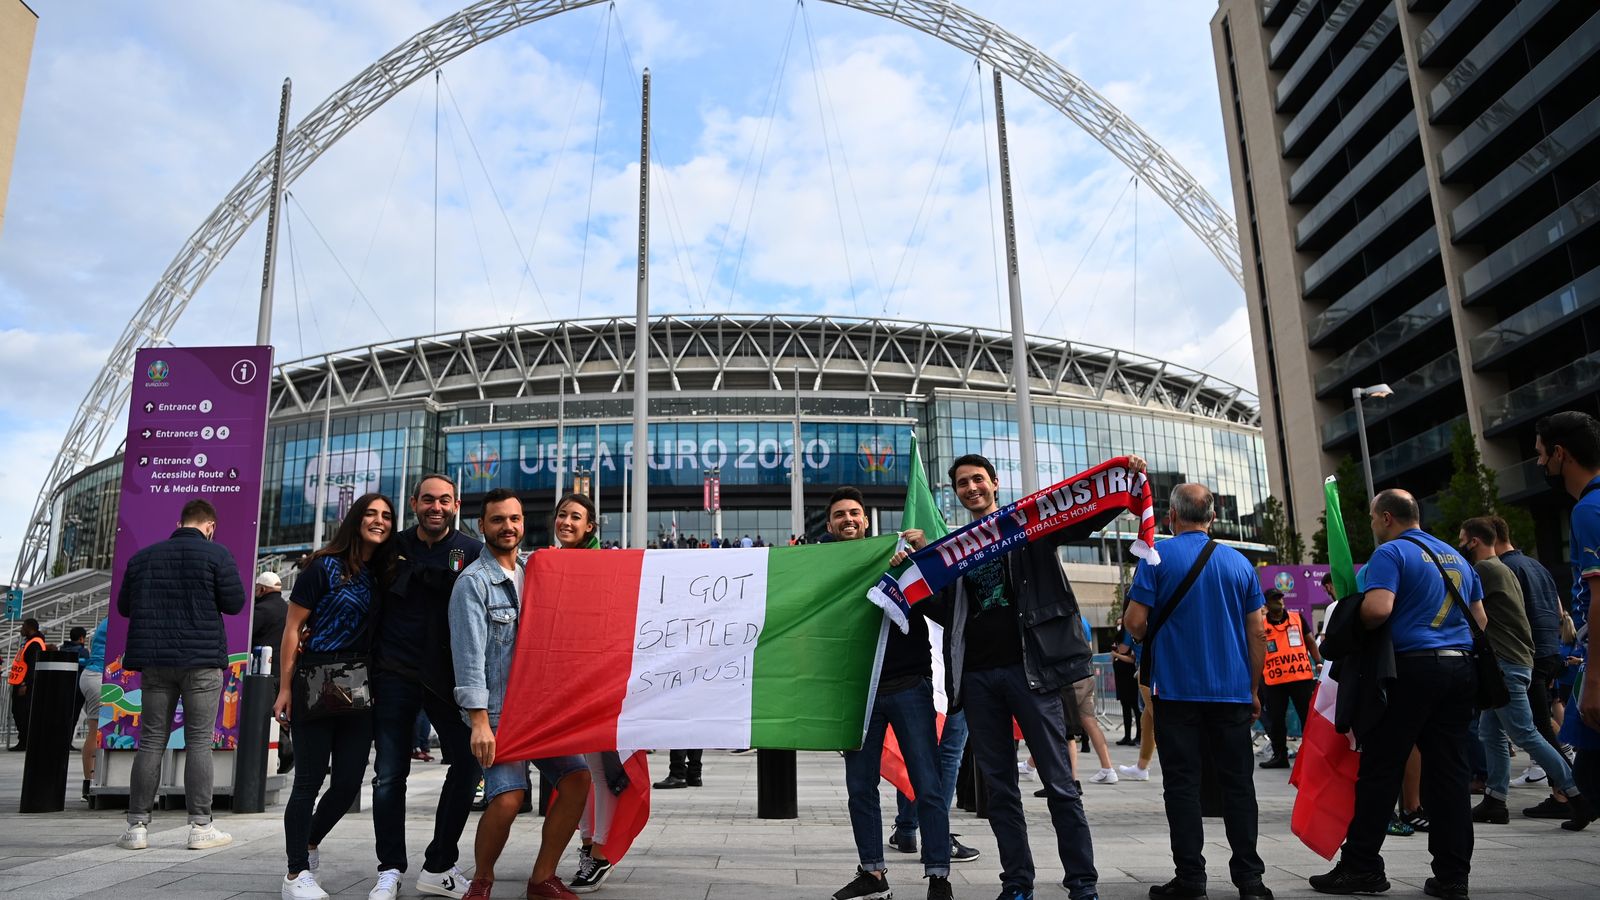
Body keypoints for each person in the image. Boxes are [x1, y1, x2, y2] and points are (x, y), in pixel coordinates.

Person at [919, 453, 1106, 900]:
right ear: (956, 492)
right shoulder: (957, 547)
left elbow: (1080, 521)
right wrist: (913, 568)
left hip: (1032, 673)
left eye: (977, 480)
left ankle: (1082, 883)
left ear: (996, 483)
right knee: (999, 791)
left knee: (1060, 785)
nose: (971, 488)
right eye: (962, 483)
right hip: (979, 680)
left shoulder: (1028, 528)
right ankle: (1017, 882)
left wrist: (1117, 485)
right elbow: (946, 613)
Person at [1309, 490, 1482, 898]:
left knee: (1381, 769)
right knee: (1451, 774)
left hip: (1410, 668)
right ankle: (1453, 875)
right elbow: (1480, 619)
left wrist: (1354, 618)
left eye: (1372, 518)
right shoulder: (1455, 557)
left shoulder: (1391, 554)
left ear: (1386, 517)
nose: (1372, 526)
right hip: (1460, 667)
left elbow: (1379, 609)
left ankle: (1362, 867)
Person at [1124, 483, 1272, 900]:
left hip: (1175, 692)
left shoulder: (1156, 557)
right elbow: (1258, 631)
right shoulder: (1241, 564)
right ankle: (1251, 880)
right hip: (1230, 693)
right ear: (1212, 518)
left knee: (1183, 785)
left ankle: (1191, 879)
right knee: (1239, 784)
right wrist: (1253, 689)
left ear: (1172, 516)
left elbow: (1135, 623)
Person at [450, 489, 591, 900]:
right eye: (498, 520)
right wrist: (479, 722)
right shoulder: (472, 584)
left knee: (578, 780)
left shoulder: (540, 569)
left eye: (514, 519)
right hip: (497, 713)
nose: (507, 527)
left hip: (543, 709)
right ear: (482, 526)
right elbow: (468, 657)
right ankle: (482, 879)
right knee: (508, 799)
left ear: (523, 522)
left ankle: (542, 878)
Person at [822, 486, 953, 900]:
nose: (848, 519)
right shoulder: (822, 570)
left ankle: (938, 877)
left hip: (910, 685)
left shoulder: (896, 557)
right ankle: (873, 874)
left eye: (855, 513)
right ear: (829, 525)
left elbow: (942, 611)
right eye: (840, 514)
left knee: (926, 784)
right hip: (858, 694)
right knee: (860, 788)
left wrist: (921, 562)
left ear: (866, 520)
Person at [276, 493, 397, 900]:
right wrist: (285, 688)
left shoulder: (380, 572)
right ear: (355, 519)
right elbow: (293, 629)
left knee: (347, 784)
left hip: (359, 684)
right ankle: (296, 873)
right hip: (316, 677)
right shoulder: (323, 566)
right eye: (371, 514)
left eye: (386, 516)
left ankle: (306, 846)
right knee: (308, 781)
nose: (379, 521)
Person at [370, 474, 485, 900]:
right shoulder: (390, 548)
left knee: (469, 765)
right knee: (388, 776)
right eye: (428, 500)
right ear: (415, 502)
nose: (436, 507)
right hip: (394, 674)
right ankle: (389, 869)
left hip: (450, 679)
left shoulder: (472, 552)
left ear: (457, 504)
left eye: (445, 500)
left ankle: (439, 862)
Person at [114, 500, 245, 853]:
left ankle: (136, 826)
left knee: (151, 740)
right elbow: (234, 603)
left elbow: (125, 607)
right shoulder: (217, 555)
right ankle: (201, 827)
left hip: (156, 663)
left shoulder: (143, 559)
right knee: (199, 740)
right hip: (202, 662)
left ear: (179, 523)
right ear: (210, 526)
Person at [1457, 515, 1591, 830]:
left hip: (1505, 663)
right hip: (1516, 661)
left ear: (1474, 541)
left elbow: (1469, 612)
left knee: (1525, 732)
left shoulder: (1485, 570)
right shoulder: (1505, 568)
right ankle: (1495, 800)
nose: (1459, 545)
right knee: (1491, 731)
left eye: (1462, 539)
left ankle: (1577, 796)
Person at [1536, 412, 1600, 830]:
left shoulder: (1588, 510)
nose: (1540, 464)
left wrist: (1593, 681)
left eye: (1542, 455)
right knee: (1589, 776)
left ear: (1561, 453)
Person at [1489, 515, 1567, 789]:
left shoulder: (1503, 569)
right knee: (1508, 727)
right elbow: (1558, 610)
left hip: (1525, 653)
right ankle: (1495, 796)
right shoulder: (1536, 565)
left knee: (1536, 730)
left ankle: (1569, 792)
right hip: (1550, 650)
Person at [1257, 588, 1321, 769]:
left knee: (1306, 718)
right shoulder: (1261, 625)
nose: (1279, 601)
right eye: (1274, 599)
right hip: (1275, 681)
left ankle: (1313, 755)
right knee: (1277, 720)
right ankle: (1280, 756)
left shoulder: (1296, 618)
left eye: (1280, 598)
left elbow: (1310, 641)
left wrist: (1318, 662)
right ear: (1267, 604)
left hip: (1300, 678)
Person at [252, 571, 294, 776]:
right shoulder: (287, 609)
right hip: (285, 673)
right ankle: (282, 759)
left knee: (266, 717)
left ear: (261, 589)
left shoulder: (260, 611)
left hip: (264, 675)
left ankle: (281, 755)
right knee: (282, 718)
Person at [79, 618, 108, 800]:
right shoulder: (120, 619)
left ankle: (90, 781)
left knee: (94, 730)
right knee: (95, 731)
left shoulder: (106, 621)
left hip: (93, 675)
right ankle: (90, 781)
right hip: (99, 676)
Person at [7, 618, 46, 752]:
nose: (21, 628)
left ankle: (25, 742)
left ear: (30, 628)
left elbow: (33, 665)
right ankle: (23, 741)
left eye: (23, 626)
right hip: (20, 682)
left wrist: (26, 684)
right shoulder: (29, 641)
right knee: (18, 712)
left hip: (25, 684)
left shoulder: (35, 643)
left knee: (23, 713)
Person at [1110, 616, 1139, 746]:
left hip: (1130, 677)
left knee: (1136, 708)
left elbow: (1131, 659)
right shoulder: (1117, 639)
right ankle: (1127, 735)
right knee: (1125, 707)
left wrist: (1117, 656)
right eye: (1118, 624)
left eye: (1121, 624)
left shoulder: (1131, 638)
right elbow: (1113, 653)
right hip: (1120, 677)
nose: (1119, 626)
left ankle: (1139, 735)